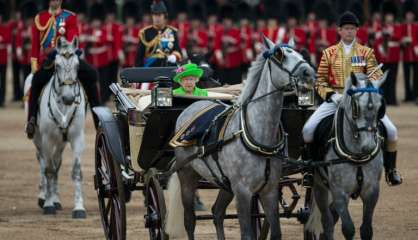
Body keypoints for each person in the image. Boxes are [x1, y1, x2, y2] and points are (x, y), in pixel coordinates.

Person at [302, 11, 402, 186]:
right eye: (346, 29)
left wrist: (370, 84)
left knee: (392, 131)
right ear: (339, 31)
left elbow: (376, 76)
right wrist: (332, 95)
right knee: (308, 130)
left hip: (362, 102)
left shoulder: (366, 52)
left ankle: (391, 170)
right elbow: (319, 82)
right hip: (336, 100)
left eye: (353, 29)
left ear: (357, 31)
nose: (349, 32)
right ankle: (310, 171)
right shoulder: (328, 53)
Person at [25, 0, 101, 139]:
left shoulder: (69, 17)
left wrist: (64, 53)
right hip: (48, 61)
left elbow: (73, 40)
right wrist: (35, 67)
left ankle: (98, 121)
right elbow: (35, 47)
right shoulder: (39, 18)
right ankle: (32, 120)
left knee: (91, 75)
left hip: (68, 57)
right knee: (35, 82)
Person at [135, 0, 182, 90]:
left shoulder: (172, 32)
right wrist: (138, 74)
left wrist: (174, 56)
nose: (157, 18)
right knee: (143, 91)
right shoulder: (145, 32)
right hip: (150, 69)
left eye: (159, 15)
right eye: (155, 15)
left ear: (164, 16)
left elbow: (178, 51)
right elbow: (139, 56)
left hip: (169, 68)